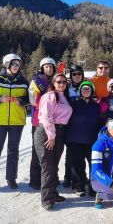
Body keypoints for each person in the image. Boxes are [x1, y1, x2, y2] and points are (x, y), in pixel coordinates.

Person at [0, 54, 29, 193]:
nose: (16, 67)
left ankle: (11, 178)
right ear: (7, 64)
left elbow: (28, 100)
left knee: (13, 150)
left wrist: (20, 101)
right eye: (14, 64)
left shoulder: (23, 81)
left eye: (18, 65)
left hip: (17, 120)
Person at [36, 73, 73, 210]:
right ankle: (46, 199)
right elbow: (47, 116)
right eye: (59, 82)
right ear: (53, 82)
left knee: (54, 165)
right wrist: (51, 136)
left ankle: (53, 193)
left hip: (60, 132)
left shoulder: (64, 96)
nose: (62, 84)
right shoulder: (49, 96)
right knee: (48, 166)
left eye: (64, 82)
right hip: (47, 133)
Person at [66, 81, 101, 197]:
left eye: (88, 89)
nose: (86, 91)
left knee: (93, 164)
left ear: (92, 91)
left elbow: (100, 122)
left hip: (92, 140)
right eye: (84, 89)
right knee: (77, 165)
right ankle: (78, 186)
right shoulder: (73, 104)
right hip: (74, 140)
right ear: (80, 91)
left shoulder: (96, 106)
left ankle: (93, 187)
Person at [28, 57, 56, 190]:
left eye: (51, 67)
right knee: (37, 151)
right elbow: (33, 100)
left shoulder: (54, 80)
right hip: (38, 121)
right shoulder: (36, 81)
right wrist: (48, 102)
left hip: (52, 121)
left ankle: (49, 178)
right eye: (46, 67)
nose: (49, 69)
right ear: (42, 68)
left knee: (49, 152)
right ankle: (35, 180)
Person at [63, 64, 85, 187]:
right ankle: (68, 177)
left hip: (83, 125)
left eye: (79, 73)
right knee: (70, 154)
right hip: (70, 124)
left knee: (81, 154)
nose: (77, 76)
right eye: (74, 74)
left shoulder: (87, 87)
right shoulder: (67, 88)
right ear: (71, 76)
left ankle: (81, 177)